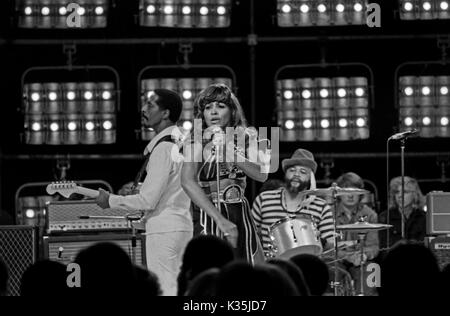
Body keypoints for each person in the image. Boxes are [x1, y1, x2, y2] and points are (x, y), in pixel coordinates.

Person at [96, 89, 193, 296]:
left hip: (164, 229)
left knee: (166, 290)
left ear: (166, 113)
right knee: (177, 289)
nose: (143, 109)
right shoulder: (180, 142)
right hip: (180, 225)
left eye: (150, 105)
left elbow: (148, 200)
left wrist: (111, 200)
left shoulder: (163, 148)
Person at [181, 83, 268, 265]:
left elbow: (262, 174)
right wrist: (220, 219)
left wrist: (229, 149)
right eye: (208, 107)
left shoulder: (249, 137)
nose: (213, 112)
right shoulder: (195, 140)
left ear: (232, 110)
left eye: (220, 106)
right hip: (207, 213)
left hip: (239, 212)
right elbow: (187, 182)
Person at [251, 148, 335, 259]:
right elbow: (250, 235)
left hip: (306, 268)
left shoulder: (321, 206)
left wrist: (322, 241)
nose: (296, 174)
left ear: (310, 178)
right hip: (271, 268)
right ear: (285, 174)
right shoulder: (264, 199)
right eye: (292, 170)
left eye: (303, 172)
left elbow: (331, 245)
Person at [332, 172, 379, 295]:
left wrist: (364, 256)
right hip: (337, 260)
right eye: (346, 190)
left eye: (355, 191)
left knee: (373, 268)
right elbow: (328, 247)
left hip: (361, 260)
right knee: (330, 269)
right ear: (339, 193)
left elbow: (373, 246)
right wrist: (347, 256)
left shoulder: (370, 214)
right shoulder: (328, 214)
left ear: (361, 193)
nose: (350, 195)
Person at [378, 176, 426, 249]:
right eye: (397, 192)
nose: (400, 196)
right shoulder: (385, 217)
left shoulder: (424, 217)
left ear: (414, 194)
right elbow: (382, 249)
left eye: (405, 192)